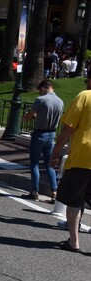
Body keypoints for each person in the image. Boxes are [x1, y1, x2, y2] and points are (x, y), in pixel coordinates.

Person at [49, 65, 91, 252]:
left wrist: (56, 151)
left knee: (74, 199)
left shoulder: (85, 96)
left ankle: (74, 242)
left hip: (82, 156)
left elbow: (68, 128)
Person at [21, 80, 63, 201]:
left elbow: (29, 115)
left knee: (34, 163)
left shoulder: (41, 100)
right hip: (52, 134)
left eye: (40, 90)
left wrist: (27, 117)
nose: (40, 93)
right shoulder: (60, 102)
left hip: (39, 133)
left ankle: (34, 191)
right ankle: (54, 191)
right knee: (49, 164)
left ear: (44, 88)